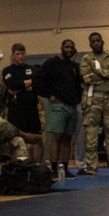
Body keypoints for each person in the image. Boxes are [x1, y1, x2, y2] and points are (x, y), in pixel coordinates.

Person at [79, 32, 109, 176]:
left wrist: (100, 72)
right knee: (91, 136)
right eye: (93, 41)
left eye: (98, 41)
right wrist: (108, 76)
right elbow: (87, 78)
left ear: (102, 42)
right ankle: (92, 169)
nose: (96, 43)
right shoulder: (86, 59)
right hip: (93, 100)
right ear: (90, 44)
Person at [35, 39, 82, 177]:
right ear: (62, 47)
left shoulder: (73, 66)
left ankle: (64, 168)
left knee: (68, 138)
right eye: (67, 47)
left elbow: (78, 84)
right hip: (57, 106)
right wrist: (49, 95)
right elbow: (37, 80)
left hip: (72, 106)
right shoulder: (51, 63)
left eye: (72, 47)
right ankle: (54, 169)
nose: (69, 49)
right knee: (57, 137)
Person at [2, 43, 42, 162]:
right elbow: (12, 84)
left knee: (36, 138)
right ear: (13, 55)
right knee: (19, 139)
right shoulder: (8, 70)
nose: (20, 56)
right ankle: (22, 166)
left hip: (32, 109)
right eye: (17, 54)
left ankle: (37, 167)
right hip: (16, 110)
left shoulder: (33, 69)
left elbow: (39, 85)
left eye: (22, 53)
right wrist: (30, 82)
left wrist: (22, 85)